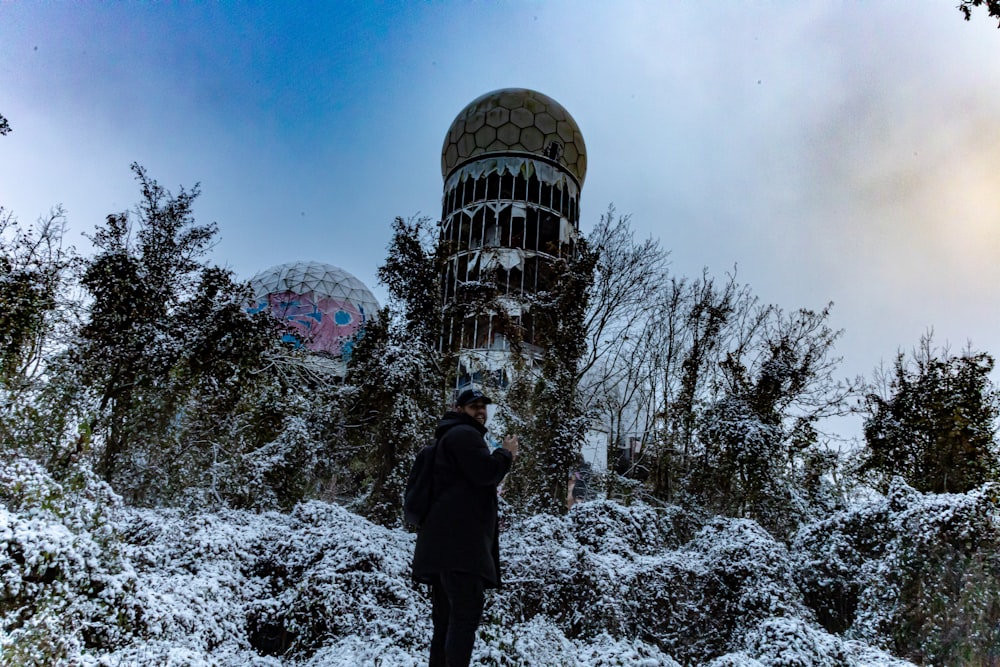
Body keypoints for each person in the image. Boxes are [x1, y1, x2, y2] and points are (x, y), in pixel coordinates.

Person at [411, 387, 519, 667]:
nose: (480, 412)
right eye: (473, 407)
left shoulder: (449, 437)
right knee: (464, 618)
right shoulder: (464, 435)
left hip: (442, 549)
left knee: (445, 621)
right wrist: (505, 454)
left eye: (483, 407)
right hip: (460, 549)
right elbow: (486, 473)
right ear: (459, 410)